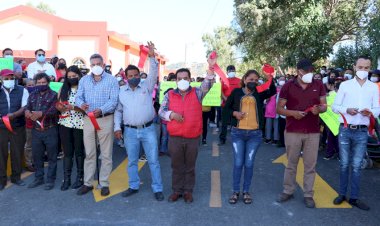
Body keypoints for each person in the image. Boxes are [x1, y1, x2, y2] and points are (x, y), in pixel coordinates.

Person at [114, 42, 164, 201]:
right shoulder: (122, 92)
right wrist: (117, 127)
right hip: (129, 131)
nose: (134, 77)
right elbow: (118, 111)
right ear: (126, 78)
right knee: (132, 161)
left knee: (154, 161)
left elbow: (154, 72)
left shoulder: (146, 86)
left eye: (136, 75)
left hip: (148, 130)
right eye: (130, 76)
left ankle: (157, 188)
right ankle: (133, 185)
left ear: (139, 75)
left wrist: (151, 56)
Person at [159, 64, 215, 203]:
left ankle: (188, 191)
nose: (182, 80)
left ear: (190, 79)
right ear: (176, 80)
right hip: (175, 138)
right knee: (177, 166)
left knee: (190, 166)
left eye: (185, 78)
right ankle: (177, 190)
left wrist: (211, 67)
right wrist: (171, 115)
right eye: (179, 78)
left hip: (193, 137)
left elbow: (208, 83)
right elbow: (161, 111)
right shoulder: (169, 94)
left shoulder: (197, 92)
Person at [276, 59, 327, 208]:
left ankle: (308, 194)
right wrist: (292, 113)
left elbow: (324, 106)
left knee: (310, 165)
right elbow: (279, 109)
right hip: (293, 130)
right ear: (299, 71)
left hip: (313, 131)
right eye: (306, 71)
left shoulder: (318, 85)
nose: (309, 74)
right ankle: (288, 190)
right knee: (291, 163)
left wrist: (319, 109)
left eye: (311, 71)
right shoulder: (288, 86)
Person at [332, 56, 380, 211]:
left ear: (370, 68)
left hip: (361, 131)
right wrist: (347, 110)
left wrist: (370, 112)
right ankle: (342, 194)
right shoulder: (345, 85)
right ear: (354, 67)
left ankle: (354, 197)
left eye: (366, 68)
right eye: (360, 67)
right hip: (345, 129)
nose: (363, 71)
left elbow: (377, 109)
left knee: (357, 166)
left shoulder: (373, 87)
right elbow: (334, 106)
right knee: (344, 164)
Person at [225, 69, 276, 204]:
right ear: (245, 79)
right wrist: (235, 113)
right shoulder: (236, 92)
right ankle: (235, 191)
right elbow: (226, 109)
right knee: (238, 163)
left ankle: (246, 191)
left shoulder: (259, 93)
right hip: (238, 133)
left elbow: (272, 91)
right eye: (250, 79)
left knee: (249, 163)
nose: (253, 82)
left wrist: (269, 77)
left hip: (255, 134)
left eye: (256, 80)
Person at [75, 53, 119, 197]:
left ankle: (104, 183)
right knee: (90, 153)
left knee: (106, 153)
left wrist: (101, 110)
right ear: (90, 65)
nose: (95, 67)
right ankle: (88, 183)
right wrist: (82, 104)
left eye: (98, 64)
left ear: (103, 64)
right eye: (92, 64)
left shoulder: (112, 80)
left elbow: (114, 100)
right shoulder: (84, 80)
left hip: (105, 119)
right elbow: (78, 97)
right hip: (88, 119)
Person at [25, 73, 59, 190]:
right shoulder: (32, 94)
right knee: (37, 156)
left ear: (48, 83)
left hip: (50, 130)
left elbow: (56, 111)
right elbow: (27, 107)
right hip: (36, 131)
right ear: (35, 84)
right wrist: (27, 112)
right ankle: (39, 178)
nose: (41, 85)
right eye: (39, 83)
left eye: (43, 83)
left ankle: (50, 180)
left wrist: (42, 114)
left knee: (52, 157)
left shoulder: (54, 95)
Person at [56, 66, 85, 191]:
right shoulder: (63, 88)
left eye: (74, 76)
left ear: (79, 75)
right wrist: (60, 107)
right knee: (67, 153)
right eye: (69, 77)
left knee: (79, 152)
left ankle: (80, 178)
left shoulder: (84, 88)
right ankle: (66, 179)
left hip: (80, 124)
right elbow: (57, 103)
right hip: (65, 123)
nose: (72, 78)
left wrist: (72, 107)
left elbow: (87, 107)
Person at [0, 69, 29, 190]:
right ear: (1, 79)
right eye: (6, 78)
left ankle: (16, 177)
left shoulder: (22, 90)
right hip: (1, 128)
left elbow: (25, 106)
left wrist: (14, 115)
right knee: (1, 154)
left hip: (17, 126)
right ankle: (1, 180)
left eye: (11, 78)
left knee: (17, 152)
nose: (9, 80)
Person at [219, 65, 241, 145]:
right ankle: (222, 139)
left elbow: (242, 92)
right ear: (227, 72)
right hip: (225, 105)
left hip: (236, 105)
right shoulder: (223, 81)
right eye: (230, 71)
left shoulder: (239, 81)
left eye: (233, 70)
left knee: (235, 123)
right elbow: (220, 92)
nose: (231, 72)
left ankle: (237, 139)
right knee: (224, 123)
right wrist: (227, 100)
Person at [159, 73, 177, 156]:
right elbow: (161, 112)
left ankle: (170, 151)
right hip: (164, 122)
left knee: (170, 137)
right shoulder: (164, 102)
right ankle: (163, 150)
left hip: (172, 122)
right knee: (164, 137)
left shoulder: (175, 102)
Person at [24, 79, 36, 172]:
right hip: (29, 124)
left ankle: (34, 161)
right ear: (26, 86)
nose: (31, 87)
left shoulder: (38, 94)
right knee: (29, 145)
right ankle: (28, 163)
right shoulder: (24, 95)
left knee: (37, 144)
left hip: (38, 124)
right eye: (29, 85)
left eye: (33, 85)